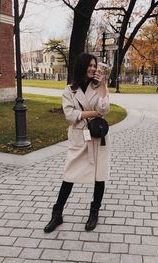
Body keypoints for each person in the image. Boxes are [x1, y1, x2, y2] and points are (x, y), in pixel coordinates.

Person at [44, 53, 110, 233]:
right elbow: (70, 115)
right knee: (69, 175)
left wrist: (103, 85)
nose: (93, 68)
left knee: (99, 175)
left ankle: (94, 212)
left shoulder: (100, 87)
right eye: (89, 65)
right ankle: (57, 213)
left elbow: (105, 109)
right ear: (82, 66)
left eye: (95, 65)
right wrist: (93, 114)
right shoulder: (69, 90)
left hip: (97, 137)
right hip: (79, 137)